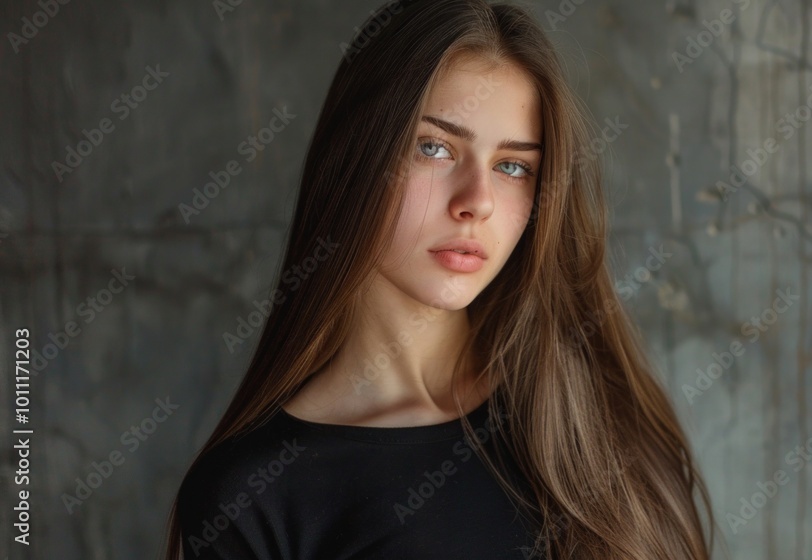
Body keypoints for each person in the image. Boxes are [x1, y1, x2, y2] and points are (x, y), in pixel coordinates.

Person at [162, 1, 715, 558]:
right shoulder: (249, 493)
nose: (477, 201)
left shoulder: (598, 410)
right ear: (354, 156)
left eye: (512, 166)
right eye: (434, 148)